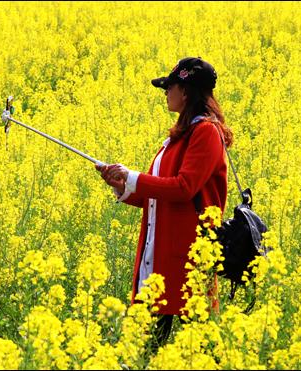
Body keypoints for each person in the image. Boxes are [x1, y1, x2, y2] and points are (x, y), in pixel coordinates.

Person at [95, 57, 233, 348]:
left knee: (199, 351)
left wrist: (133, 176)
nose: (165, 93)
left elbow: (184, 188)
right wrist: (124, 187)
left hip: (188, 261)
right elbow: (163, 197)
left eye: (169, 86)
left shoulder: (206, 132)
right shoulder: (180, 136)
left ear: (185, 91)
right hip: (159, 256)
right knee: (143, 350)